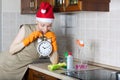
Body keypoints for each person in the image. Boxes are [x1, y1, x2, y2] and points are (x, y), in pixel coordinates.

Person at [0, 2, 59, 80]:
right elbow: (11, 50)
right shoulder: (26, 29)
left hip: (20, 69)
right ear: (36, 21)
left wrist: (53, 44)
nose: (45, 29)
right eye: (42, 25)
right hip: (5, 64)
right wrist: (28, 40)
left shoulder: (49, 36)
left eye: (49, 26)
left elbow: (54, 62)